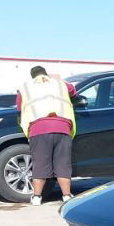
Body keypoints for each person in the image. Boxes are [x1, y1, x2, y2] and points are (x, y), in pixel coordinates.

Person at [16, 66, 77, 205]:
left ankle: (37, 197)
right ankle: (66, 196)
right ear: (46, 74)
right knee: (63, 164)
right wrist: (58, 78)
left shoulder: (25, 88)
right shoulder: (60, 84)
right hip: (63, 127)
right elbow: (73, 92)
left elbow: (19, 108)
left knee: (40, 164)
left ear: (32, 77)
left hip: (39, 129)